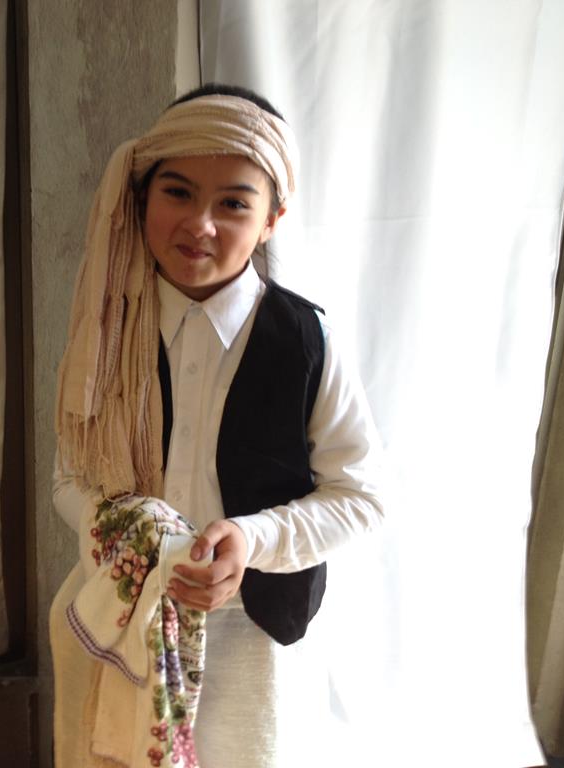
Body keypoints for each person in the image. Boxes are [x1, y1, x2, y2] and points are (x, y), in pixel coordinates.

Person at [50, 84, 384, 767]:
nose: (199, 224)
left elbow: (362, 496)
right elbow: (69, 477)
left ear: (272, 219)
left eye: (233, 203)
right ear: (142, 198)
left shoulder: (307, 341)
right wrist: (131, 540)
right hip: (117, 620)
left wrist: (251, 539)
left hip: (254, 641)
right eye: (177, 193)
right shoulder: (104, 332)